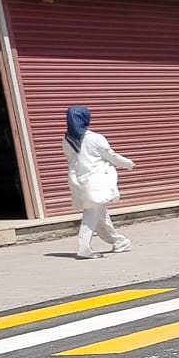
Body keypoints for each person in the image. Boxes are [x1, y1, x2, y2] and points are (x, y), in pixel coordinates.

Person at [63, 105, 134, 259]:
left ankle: (119, 241)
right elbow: (111, 156)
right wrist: (128, 164)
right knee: (91, 215)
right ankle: (84, 248)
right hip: (94, 183)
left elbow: (72, 159)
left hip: (78, 181)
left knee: (101, 215)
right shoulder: (95, 138)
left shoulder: (67, 139)